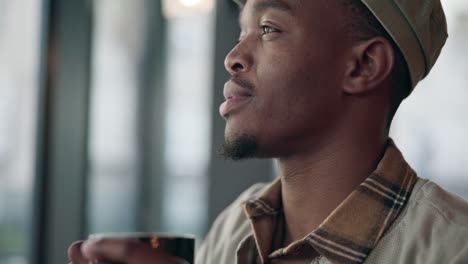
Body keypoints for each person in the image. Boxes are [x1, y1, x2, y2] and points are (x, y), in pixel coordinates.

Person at [68, 0, 468, 263]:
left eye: (268, 29)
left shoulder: (453, 249)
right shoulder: (235, 227)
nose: (233, 57)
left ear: (363, 66)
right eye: (242, 30)